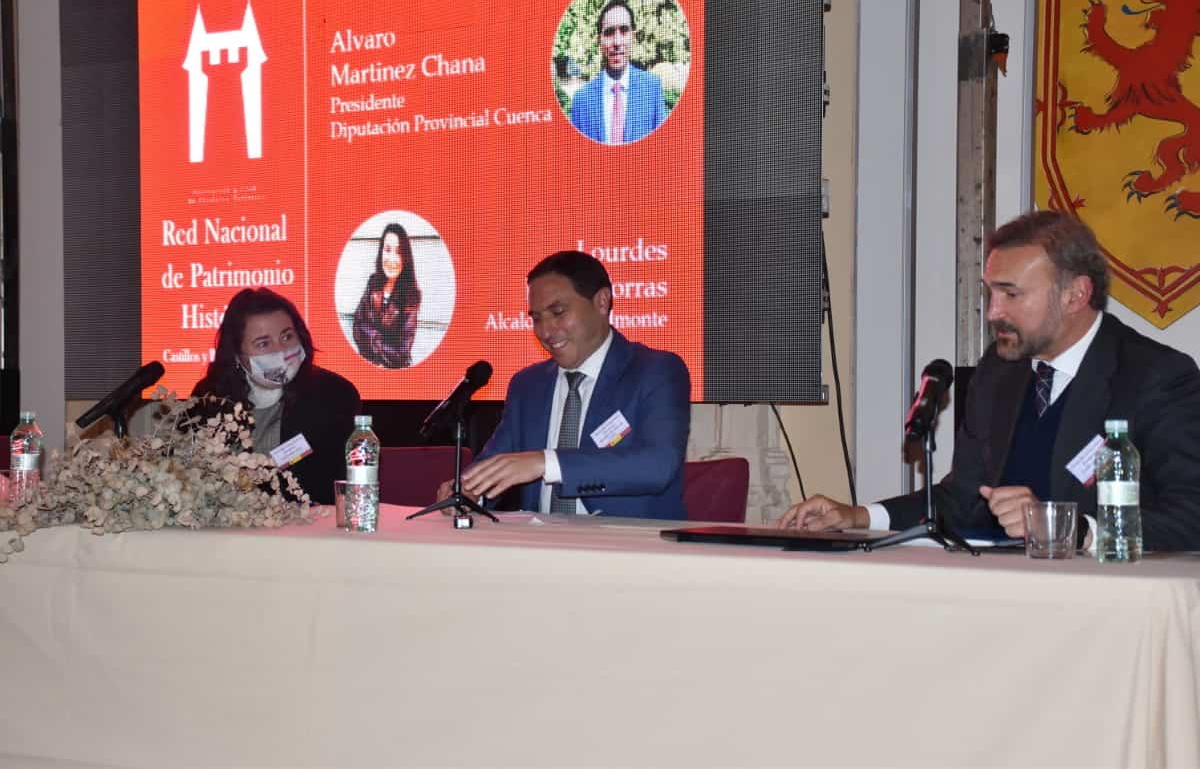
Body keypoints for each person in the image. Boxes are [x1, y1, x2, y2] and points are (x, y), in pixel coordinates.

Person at [778, 210, 1200, 551]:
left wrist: (1072, 529)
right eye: (990, 293)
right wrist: (858, 517)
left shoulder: (1155, 377)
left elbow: (1191, 515)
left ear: (1075, 295)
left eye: (1011, 294)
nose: (994, 311)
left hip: (1106, 604)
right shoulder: (1000, 371)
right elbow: (962, 499)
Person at [440, 250, 691, 518]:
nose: (546, 331)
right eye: (536, 318)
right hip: (541, 540)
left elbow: (657, 465)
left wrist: (547, 462)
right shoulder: (528, 385)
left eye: (558, 312)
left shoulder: (655, 370)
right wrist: (469, 492)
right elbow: (495, 465)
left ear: (602, 302)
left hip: (628, 540)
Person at [192, 287, 361, 506]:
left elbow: (329, 483)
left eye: (287, 336)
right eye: (263, 343)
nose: (280, 351)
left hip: (307, 519)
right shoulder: (209, 397)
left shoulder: (334, 395)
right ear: (236, 354)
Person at [569, 0, 668, 145]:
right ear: (599, 40)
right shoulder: (581, 100)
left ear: (633, 37)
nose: (617, 42)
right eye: (609, 32)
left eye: (624, 30)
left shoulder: (652, 88)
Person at [352, 223, 422, 368]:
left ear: (406, 258)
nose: (391, 258)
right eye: (387, 249)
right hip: (366, 367)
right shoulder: (373, 282)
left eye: (399, 252)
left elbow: (401, 354)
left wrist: (372, 337)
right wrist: (383, 343)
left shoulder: (411, 295)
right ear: (381, 252)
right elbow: (357, 326)